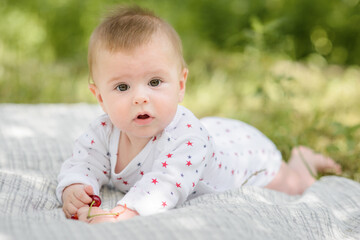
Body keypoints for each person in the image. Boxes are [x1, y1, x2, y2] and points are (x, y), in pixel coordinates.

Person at [56, 5, 342, 224]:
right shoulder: (103, 132)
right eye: (122, 86)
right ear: (100, 97)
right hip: (216, 133)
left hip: (245, 159)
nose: (140, 97)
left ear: (180, 86)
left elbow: (166, 184)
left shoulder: (187, 138)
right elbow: (83, 161)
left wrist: (125, 211)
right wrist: (76, 187)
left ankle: (302, 163)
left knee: (293, 186)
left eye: (155, 82)